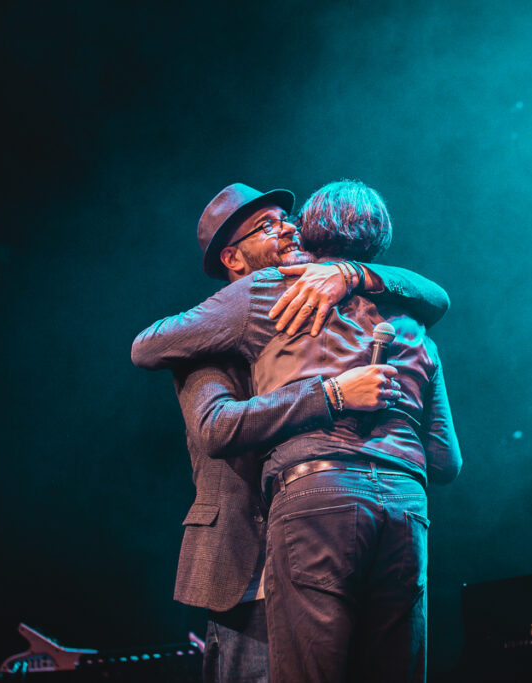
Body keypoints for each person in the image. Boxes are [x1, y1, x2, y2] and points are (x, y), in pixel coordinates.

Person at [132, 180, 461, 683]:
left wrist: (350, 271)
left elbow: (435, 295)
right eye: (267, 227)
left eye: (286, 219)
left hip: (314, 529)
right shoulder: (215, 333)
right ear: (234, 260)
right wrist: (331, 395)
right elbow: (215, 428)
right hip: (249, 568)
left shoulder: (343, 290)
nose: (287, 228)